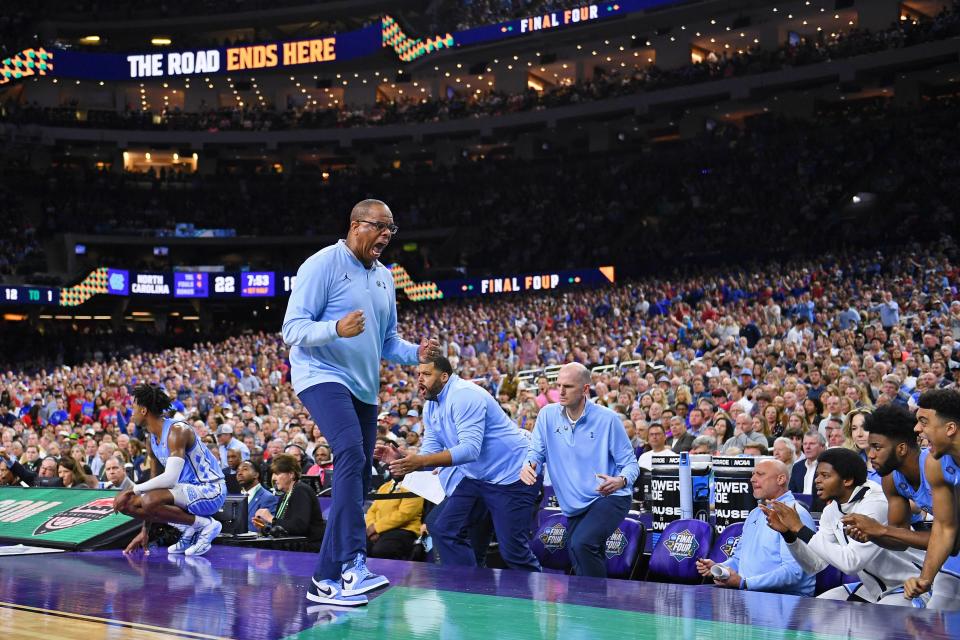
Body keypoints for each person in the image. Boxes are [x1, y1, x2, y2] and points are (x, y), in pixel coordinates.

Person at [282, 198, 439, 606]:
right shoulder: (321, 265)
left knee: (357, 470)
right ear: (355, 225)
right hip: (321, 375)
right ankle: (353, 564)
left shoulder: (385, 278)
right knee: (350, 453)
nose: (387, 235)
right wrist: (336, 327)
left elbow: (387, 342)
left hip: (365, 388)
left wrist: (417, 353)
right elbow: (292, 329)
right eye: (379, 227)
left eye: (392, 229)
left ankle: (326, 579)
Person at [381, 355, 542, 572]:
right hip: (479, 477)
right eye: (418, 374)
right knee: (442, 527)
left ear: (445, 377)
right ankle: (467, 591)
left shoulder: (464, 395)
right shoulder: (431, 404)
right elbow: (431, 447)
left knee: (514, 552)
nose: (420, 379)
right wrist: (403, 459)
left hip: (513, 474)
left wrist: (419, 460)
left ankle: (536, 603)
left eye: (426, 374)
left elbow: (470, 449)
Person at [762, 448, 923, 605]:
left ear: (847, 480)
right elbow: (814, 564)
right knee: (816, 610)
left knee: (877, 625)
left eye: (825, 475)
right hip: (874, 589)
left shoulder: (876, 503)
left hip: (912, 586)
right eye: (817, 475)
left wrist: (800, 528)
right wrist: (789, 534)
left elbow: (851, 563)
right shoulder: (831, 510)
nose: (817, 480)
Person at [521, 363, 639, 577]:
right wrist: (529, 465)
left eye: (568, 386)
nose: (561, 392)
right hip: (574, 503)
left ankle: (594, 606)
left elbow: (631, 464)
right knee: (579, 555)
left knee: (582, 544)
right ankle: (591, 604)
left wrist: (621, 480)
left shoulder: (608, 419)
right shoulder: (547, 415)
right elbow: (535, 452)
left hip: (609, 496)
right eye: (559, 385)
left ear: (585, 389)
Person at [841, 403, 960, 610]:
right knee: (936, 615)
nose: (870, 455)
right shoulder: (891, 478)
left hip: (951, 548)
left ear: (902, 449)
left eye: (877, 447)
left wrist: (881, 530)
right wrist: (873, 535)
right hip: (949, 556)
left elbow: (952, 539)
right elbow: (900, 540)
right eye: (869, 448)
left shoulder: (935, 464)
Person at [113, 384, 227, 557]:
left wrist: (132, 489)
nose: (131, 412)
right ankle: (191, 526)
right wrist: (146, 530)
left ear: (143, 410)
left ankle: (205, 525)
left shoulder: (177, 430)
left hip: (211, 490)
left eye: (133, 407)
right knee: (127, 504)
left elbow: (169, 479)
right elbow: (154, 484)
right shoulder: (151, 439)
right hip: (184, 493)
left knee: (146, 498)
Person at [697, 459, 816, 596]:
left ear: (781, 479)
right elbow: (738, 559)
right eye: (753, 475)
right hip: (752, 595)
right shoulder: (755, 513)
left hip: (789, 602)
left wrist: (745, 583)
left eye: (760, 474)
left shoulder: (795, 515)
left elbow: (794, 572)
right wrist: (719, 567)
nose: (752, 479)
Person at [904, 389, 960, 602]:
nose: (917, 429)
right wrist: (925, 578)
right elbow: (945, 527)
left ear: (950, 428)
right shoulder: (935, 462)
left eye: (924, 422)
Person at [253, 453, 325, 551]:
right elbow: (283, 530)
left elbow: (300, 527)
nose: (274, 478)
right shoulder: (284, 496)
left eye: (278, 474)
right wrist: (264, 527)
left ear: (291, 474)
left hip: (307, 550)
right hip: (291, 547)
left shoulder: (301, 490)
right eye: (273, 474)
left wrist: (271, 519)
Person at [365, 475, 424, 560]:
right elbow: (372, 511)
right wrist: (371, 528)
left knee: (381, 550)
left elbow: (405, 514)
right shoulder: (384, 486)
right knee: (360, 548)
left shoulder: (414, 486)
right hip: (377, 529)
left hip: (404, 529)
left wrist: (376, 528)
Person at [236, 459, 278, 533]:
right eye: (238, 471)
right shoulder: (237, 498)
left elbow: (270, 528)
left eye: (245, 469)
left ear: (256, 474)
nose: (239, 473)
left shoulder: (268, 498)